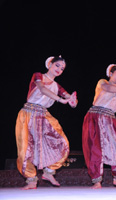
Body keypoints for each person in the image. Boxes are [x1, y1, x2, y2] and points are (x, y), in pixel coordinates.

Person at [15, 55, 78, 190]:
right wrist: (61, 100)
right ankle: (31, 180)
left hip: (43, 115)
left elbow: (68, 97)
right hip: (28, 114)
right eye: (57, 65)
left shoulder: (57, 86)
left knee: (62, 142)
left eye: (62, 68)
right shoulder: (38, 75)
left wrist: (73, 101)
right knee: (26, 148)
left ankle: (49, 172)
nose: (59, 69)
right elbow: (43, 89)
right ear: (49, 64)